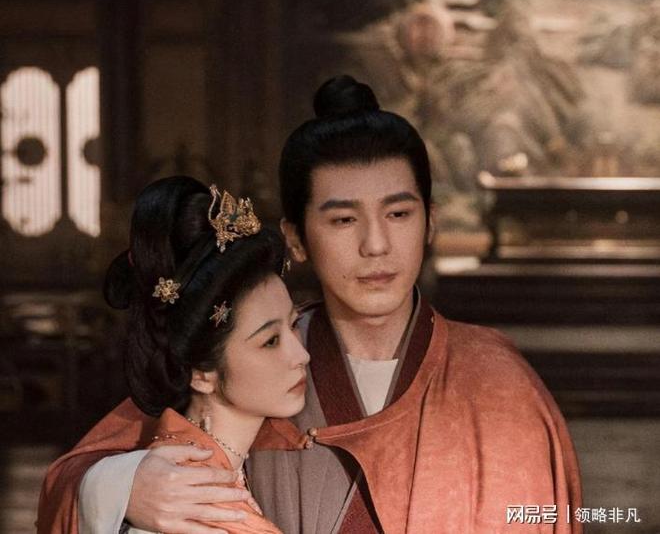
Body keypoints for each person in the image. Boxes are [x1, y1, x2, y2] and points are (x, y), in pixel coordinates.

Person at [38, 76, 582, 533]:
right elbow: (75, 476)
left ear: (431, 222)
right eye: (343, 219)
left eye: (398, 214)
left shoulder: (496, 379)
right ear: (296, 238)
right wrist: (122, 486)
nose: (376, 245)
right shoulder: (250, 361)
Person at [39, 176, 310, 533]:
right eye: (270, 341)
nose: (302, 354)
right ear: (201, 373)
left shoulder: (212, 475)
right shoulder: (180, 505)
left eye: (293, 325)